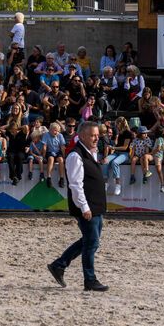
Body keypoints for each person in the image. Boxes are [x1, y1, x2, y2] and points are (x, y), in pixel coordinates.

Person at [47, 121, 110, 292]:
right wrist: (84, 207)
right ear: (82, 136)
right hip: (87, 207)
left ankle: (59, 265)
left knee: (90, 241)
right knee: (91, 243)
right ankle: (89, 280)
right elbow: (75, 185)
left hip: (95, 205)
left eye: (97, 135)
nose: (96, 138)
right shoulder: (76, 155)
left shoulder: (91, 152)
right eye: (92, 135)